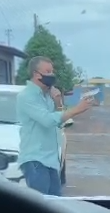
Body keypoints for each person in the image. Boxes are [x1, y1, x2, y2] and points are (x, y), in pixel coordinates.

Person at [16, 56, 93, 196]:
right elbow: (47, 120)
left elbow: (59, 122)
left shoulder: (47, 96)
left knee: (55, 203)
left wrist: (57, 102)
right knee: (40, 204)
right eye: (47, 71)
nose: (51, 75)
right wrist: (77, 109)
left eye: (52, 71)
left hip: (51, 160)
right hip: (36, 160)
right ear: (36, 74)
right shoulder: (27, 97)